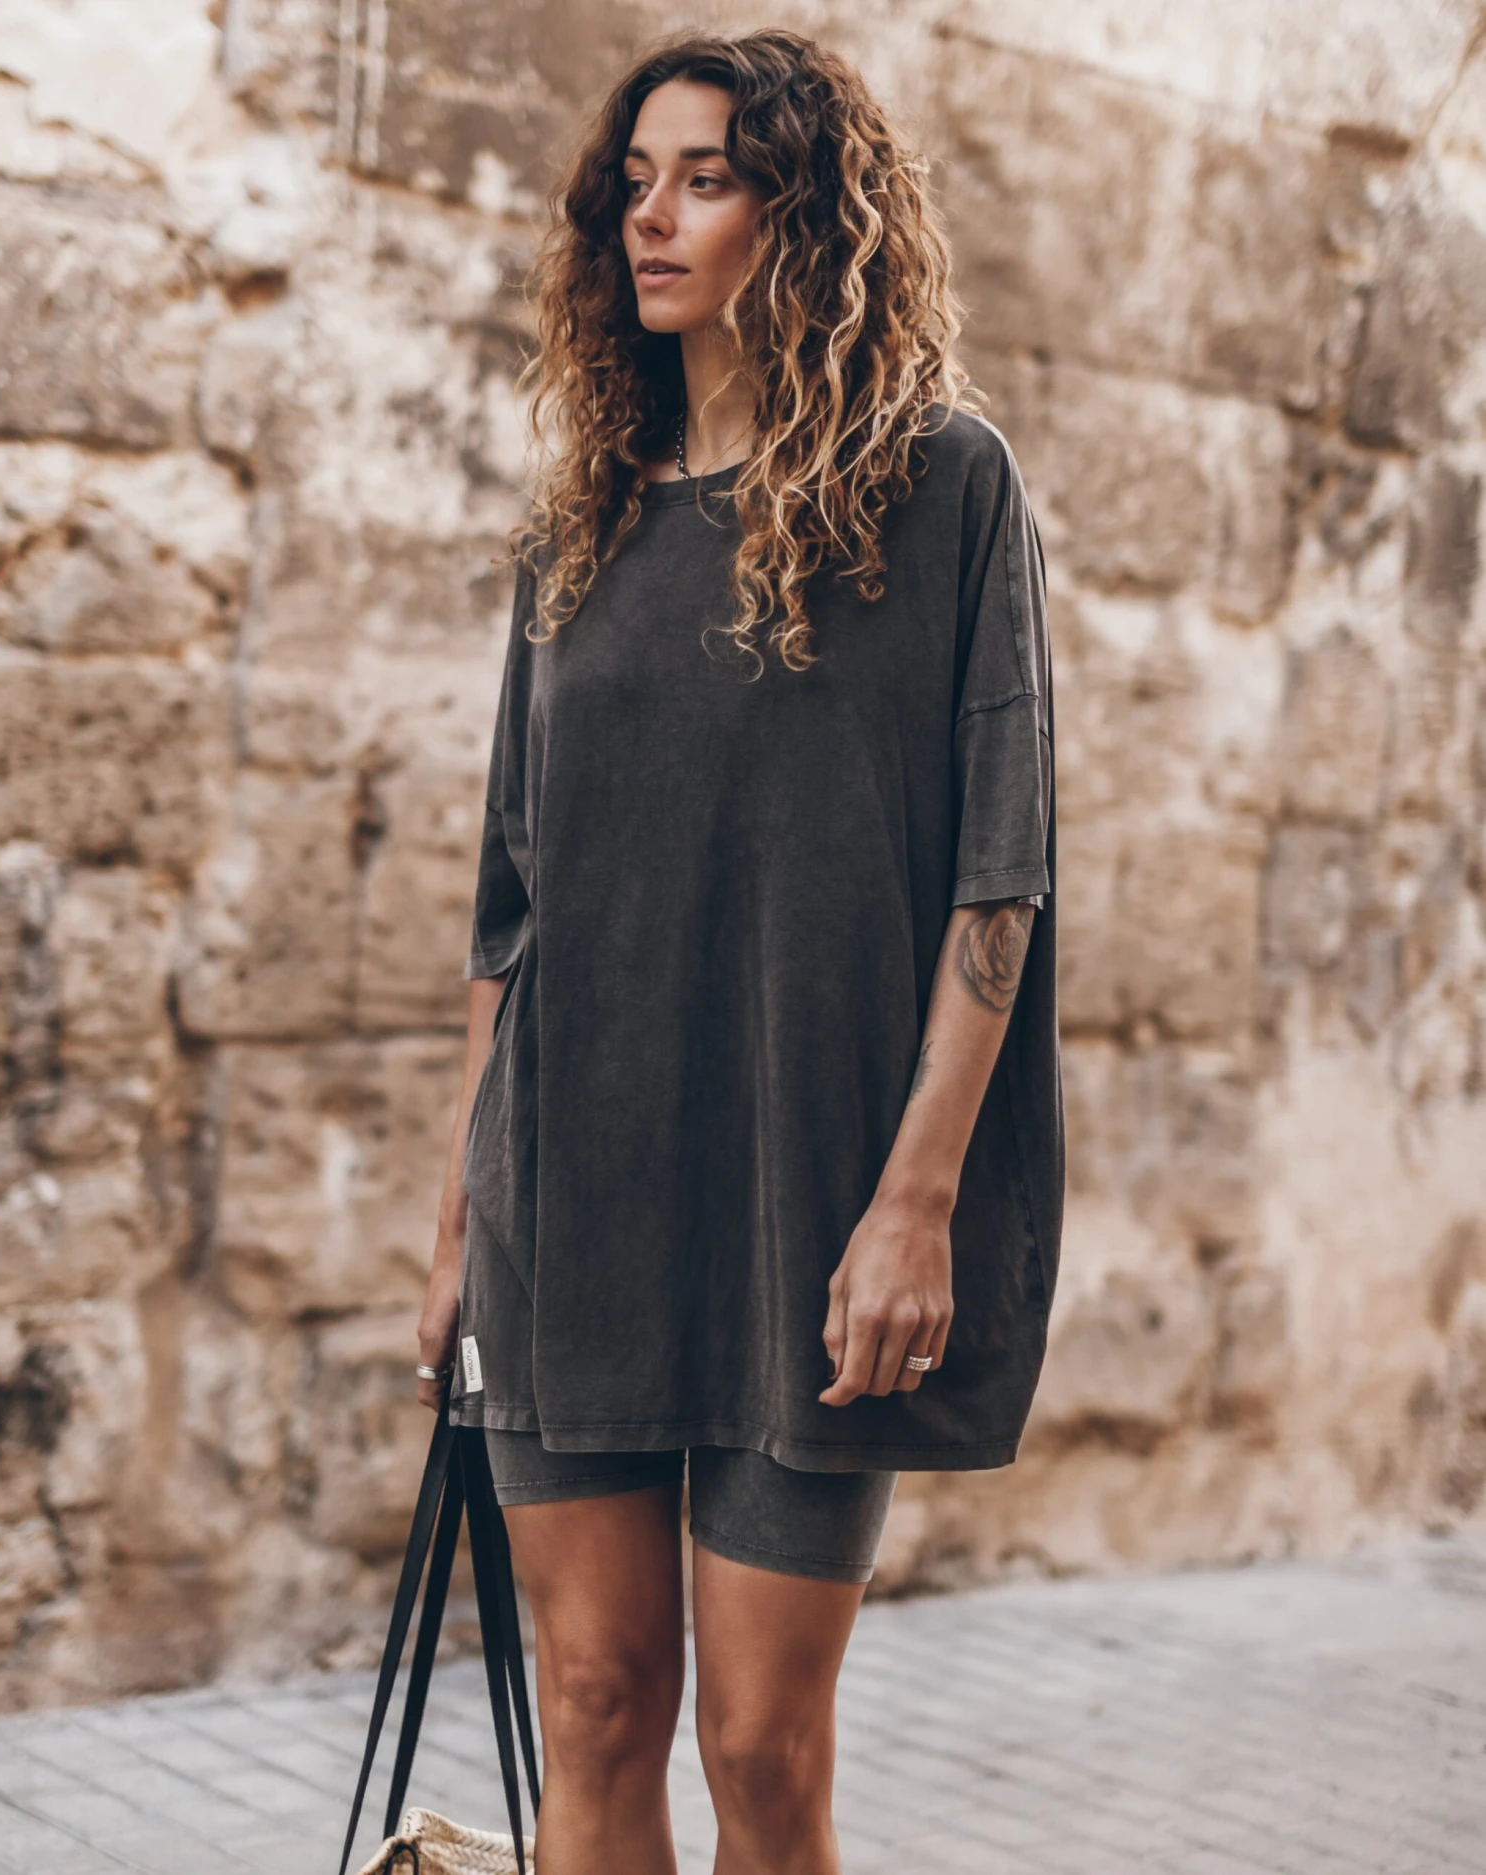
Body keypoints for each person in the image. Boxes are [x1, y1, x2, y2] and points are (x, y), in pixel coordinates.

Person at [412, 27, 1062, 1875]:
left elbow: (1000, 876)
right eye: (636, 181)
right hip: (573, 1200)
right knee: (596, 1701)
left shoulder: (946, 488)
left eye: (706, 178)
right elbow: (512, 901)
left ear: (808, 216)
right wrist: (460, 1218)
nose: (655, 215)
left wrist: (916, 1200)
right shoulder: (580, 522)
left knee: (763, 1749)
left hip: (810, 1195)